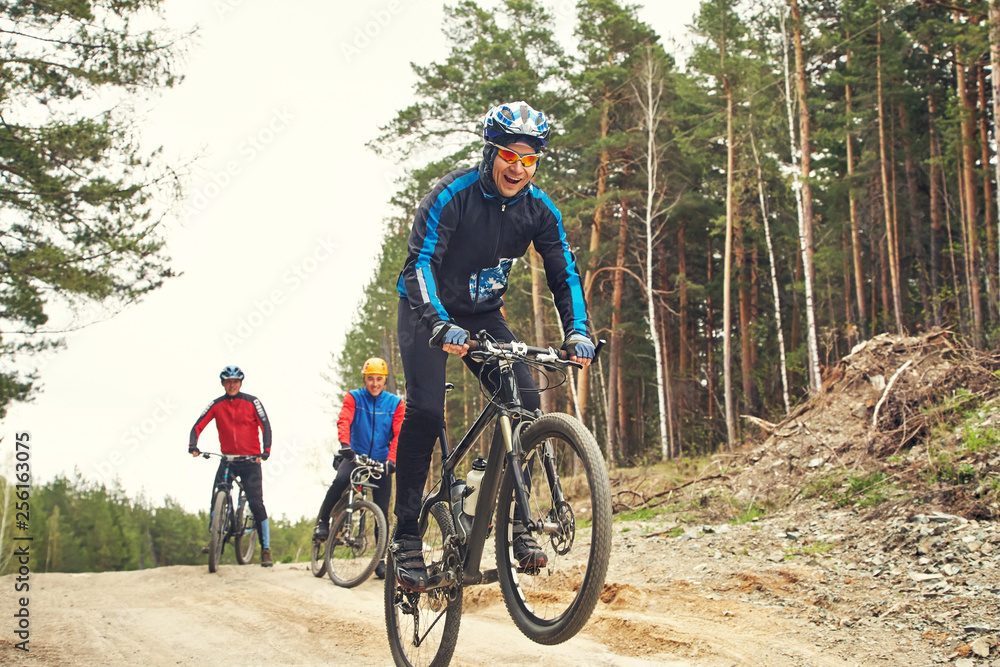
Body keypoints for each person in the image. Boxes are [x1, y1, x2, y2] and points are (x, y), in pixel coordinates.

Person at [392, 101, 595, 591]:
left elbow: (563, 273)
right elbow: (419, 264)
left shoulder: (540, 210)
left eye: (529, 160)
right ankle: (405, 539)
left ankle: (515, 520)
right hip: (428, 309)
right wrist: (440, 325)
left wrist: (578, 331)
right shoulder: (451, 195)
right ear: (491, 150)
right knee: (425, 412)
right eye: (509, 154)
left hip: (482, 314)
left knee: (525, 401)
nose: (517, 167)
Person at [314, 357, 403, 579]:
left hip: (381, 461)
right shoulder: (353, 397)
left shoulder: (395, 403)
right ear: (365, 378)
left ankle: (380, 560)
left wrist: (392, 460)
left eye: (379, 379)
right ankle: (323, 522)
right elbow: (344, 420)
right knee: (340, 482)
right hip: (354, 456)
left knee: (382, 509)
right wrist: (345, 445)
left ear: (385, 380)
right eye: (370, 379)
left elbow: (399, 434)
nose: (375, 384)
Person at [188, 365, 274, 568]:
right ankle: (214, 537)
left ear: (241, 383)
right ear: (223, 384)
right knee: (217, 492)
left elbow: (266, 425)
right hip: (228, 459)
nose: (232, 385)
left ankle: (266, 549)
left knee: (256, 502)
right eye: (228, 382)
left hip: (251, 461)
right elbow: (197, 425)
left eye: (235, 381)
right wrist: (193, 445)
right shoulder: (216, 405)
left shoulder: (252, 402)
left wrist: (266, 450)